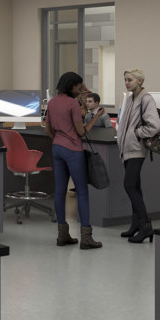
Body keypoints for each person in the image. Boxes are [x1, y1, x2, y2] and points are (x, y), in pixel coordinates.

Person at [43, 71, 101, 250]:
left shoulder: (52, 102)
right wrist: (97, 116)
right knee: (82, 192)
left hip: (57, 148)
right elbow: (82, 132)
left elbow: (47, 128)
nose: (80, 89)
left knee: (60, 191)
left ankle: (62, 235)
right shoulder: (73, 104)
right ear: (71, 86)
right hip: (73, 150)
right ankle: (86, 238)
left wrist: (59, 138)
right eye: (79, 86)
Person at [117, 70, 160, 243]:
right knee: (135, 187)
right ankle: (136, 224)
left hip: (136, 149)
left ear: (139, 81)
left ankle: (146, 227)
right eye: (125, 80)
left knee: (129, 185)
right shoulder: (130, 98)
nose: (126, 82)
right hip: (127, 149)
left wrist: (136, 133)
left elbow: (154, 126)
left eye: (130, 80)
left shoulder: (146, 99)